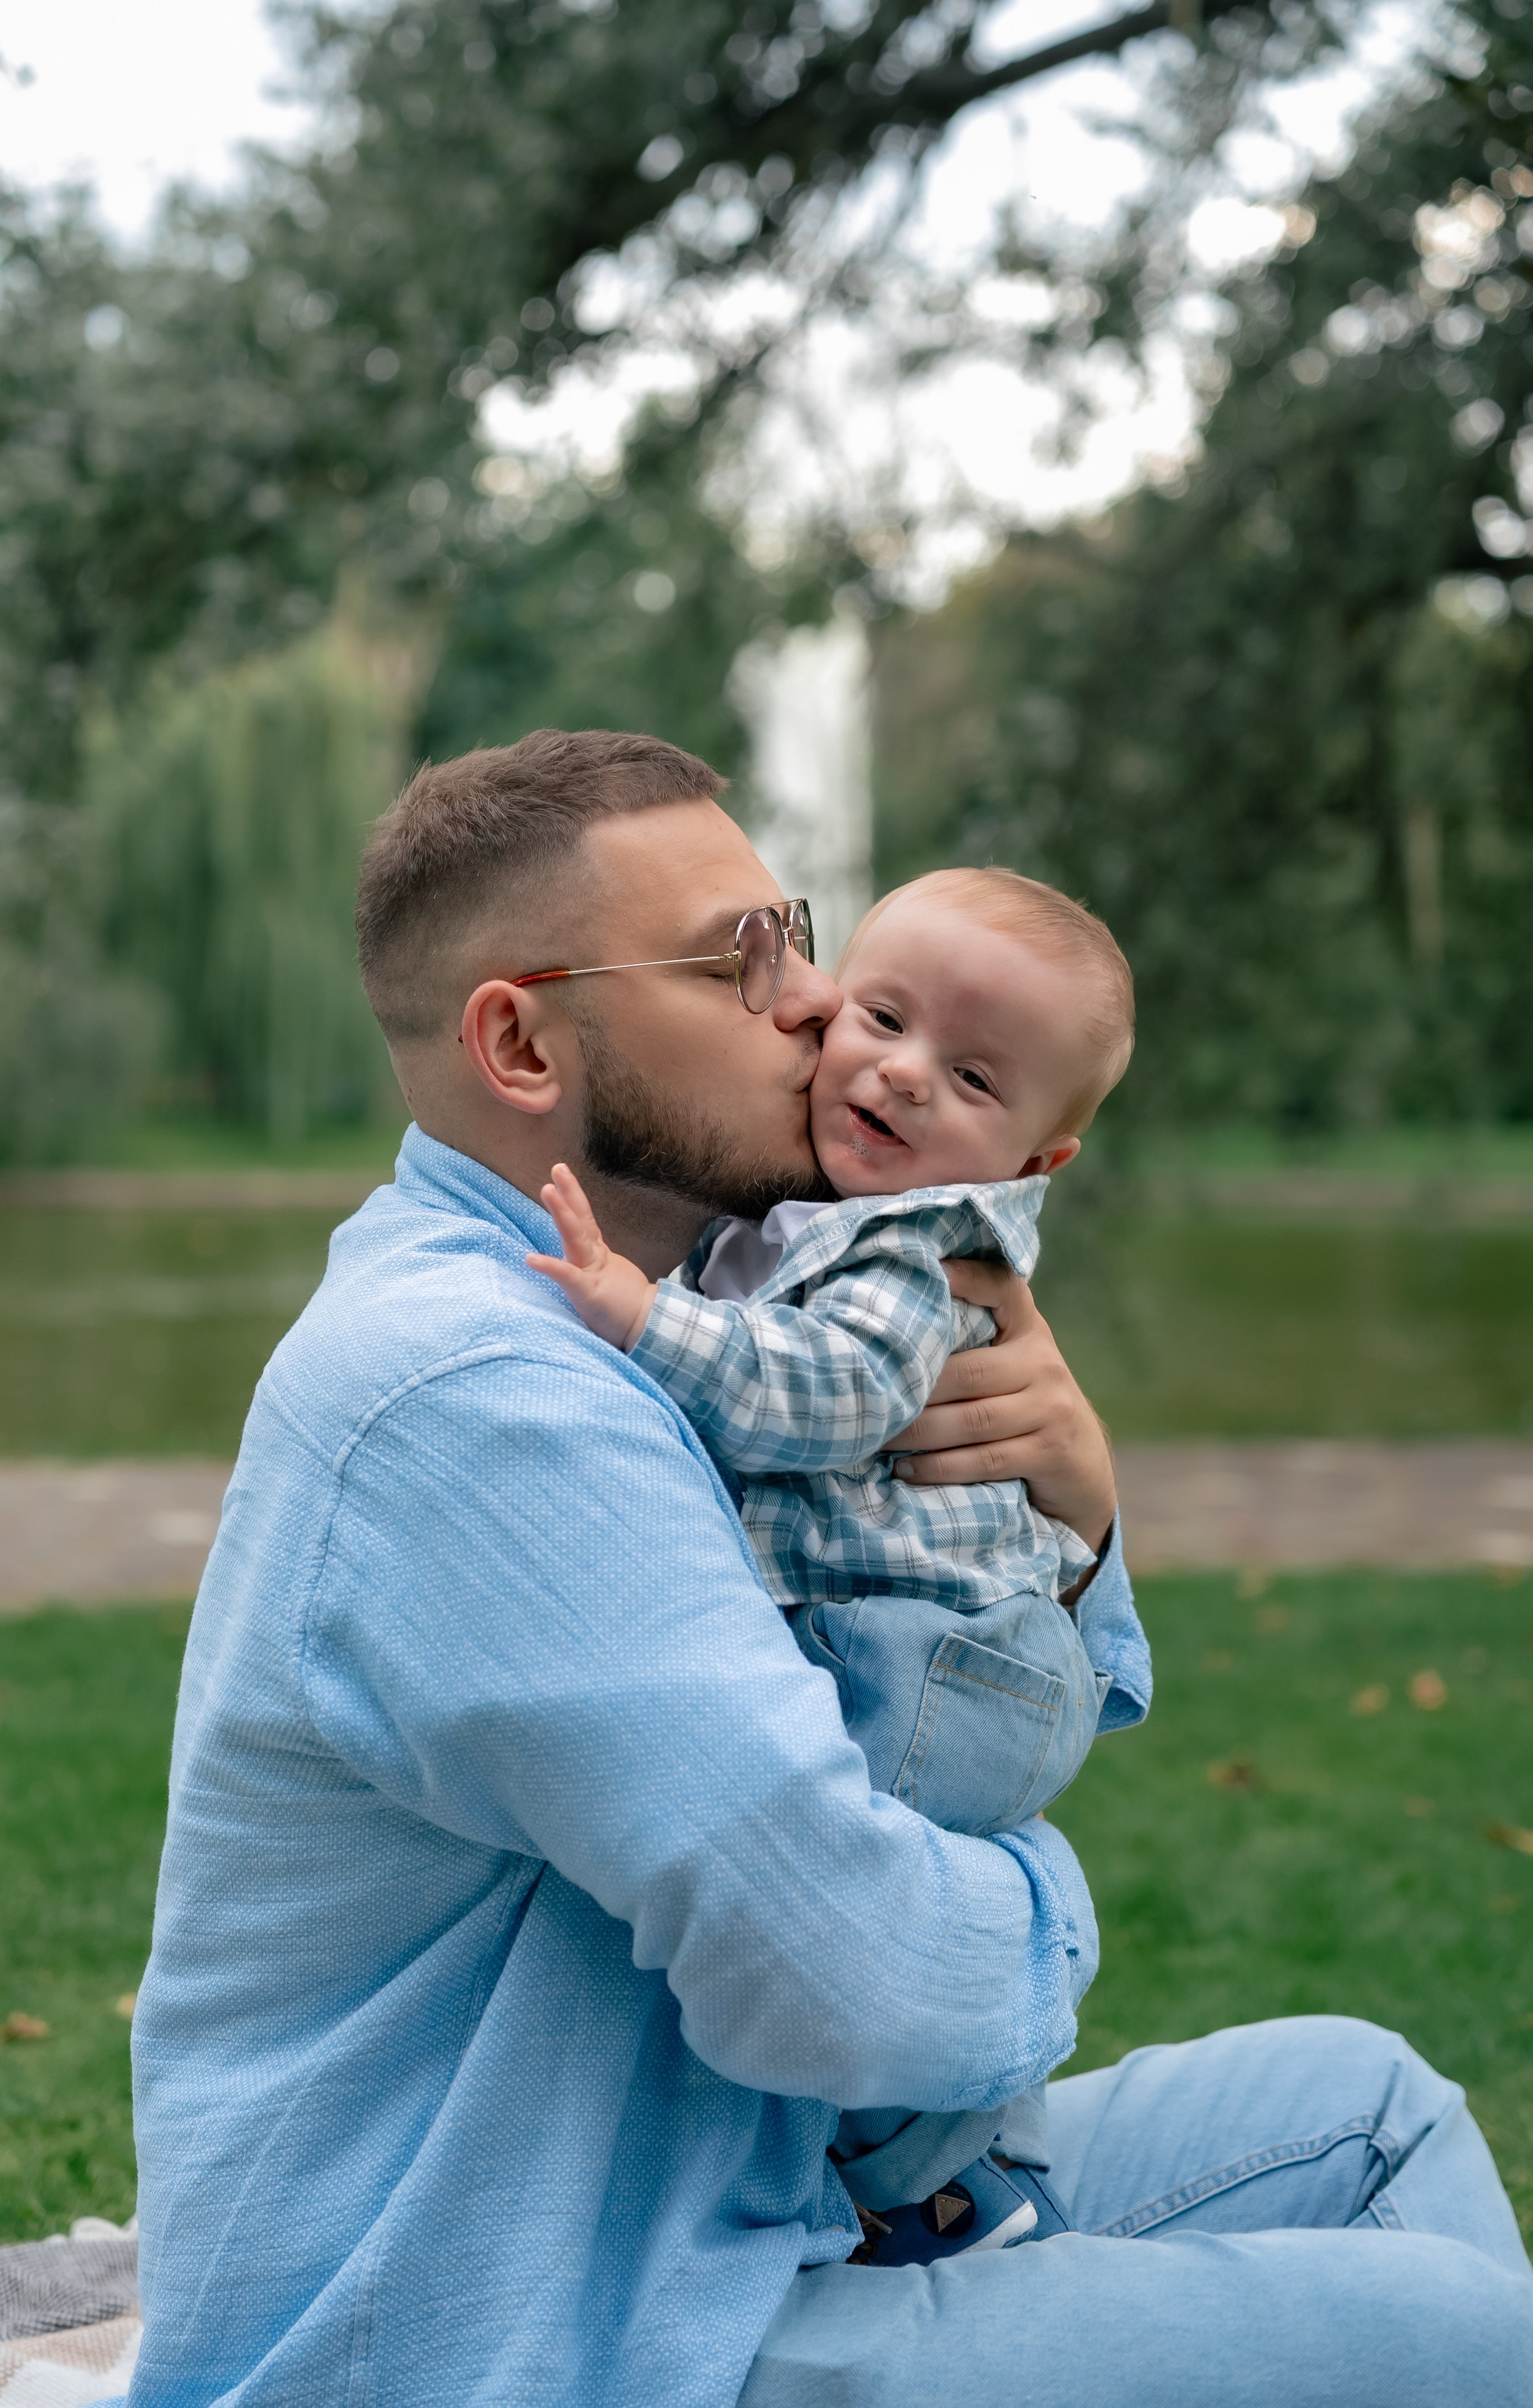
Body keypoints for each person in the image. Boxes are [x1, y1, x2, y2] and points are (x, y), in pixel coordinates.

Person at [119, 731, 1532, 2408]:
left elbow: (926, 1624)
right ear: (521, 1043)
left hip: (719, 2205)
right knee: (1478, 2345)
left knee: (1369, 2111)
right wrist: (1049, 1903)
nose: (812, 1001)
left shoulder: (701, 1315)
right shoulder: (481, 1395)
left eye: (792, 934)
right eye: (735, 960)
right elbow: (851, 1982)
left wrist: (1074, 1517)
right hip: (557, 2338)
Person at [527, 864, 1146, 2263]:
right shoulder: (803, 1213)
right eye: (882, 1017)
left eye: (973, 1078)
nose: (902, 1073)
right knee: (850, 1895)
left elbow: (830, 1396)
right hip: (925, 1639)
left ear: (1035, 1163)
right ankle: (952, 2178)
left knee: (838, 1905)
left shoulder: (912, 1245)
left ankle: (928, 2184)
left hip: (928, 1659)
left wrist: (642, 1320)